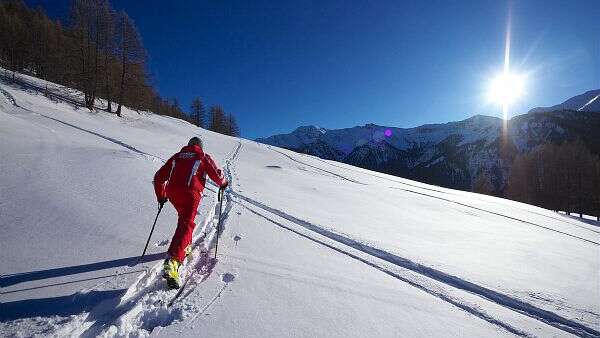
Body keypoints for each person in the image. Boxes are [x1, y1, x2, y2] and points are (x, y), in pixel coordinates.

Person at [153, 136, 228, 286]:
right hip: (190, 193)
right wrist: (224, 182)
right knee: (187, 224)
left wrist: (161, 197)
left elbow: (159, 177)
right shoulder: (202, 156)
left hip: (172, 193)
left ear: (188, 145)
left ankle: (185, 245)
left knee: (183, 220)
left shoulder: (177, 156)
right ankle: (173, 261)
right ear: (200, 146)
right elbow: (217, 175)